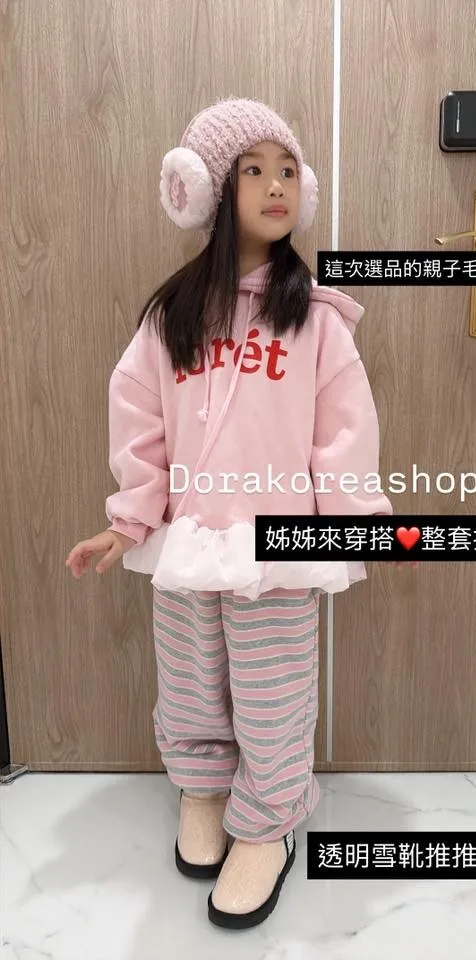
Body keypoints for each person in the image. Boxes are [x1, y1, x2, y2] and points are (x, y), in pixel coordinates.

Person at [66, 96, 409, 931]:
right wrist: (128, 520)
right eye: (253, 170)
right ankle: (203, 788)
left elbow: (345, 431)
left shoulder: (315, 318)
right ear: (210, 190)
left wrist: (357, 519)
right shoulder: (172, 318)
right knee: (190, 683)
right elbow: (140, 422)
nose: (277, 185)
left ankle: (268, 821)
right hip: (189, 545)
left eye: (288, 169)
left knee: (272, 694)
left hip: (277, 549)